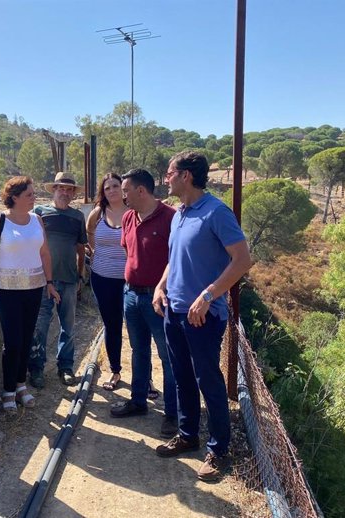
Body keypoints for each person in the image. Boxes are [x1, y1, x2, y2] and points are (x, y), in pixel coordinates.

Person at [154, 151, 252, 482]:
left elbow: (241, 260)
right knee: (181, 376)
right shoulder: (180, 213)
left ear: (186, 176)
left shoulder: (216, 212)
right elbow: (175, 258)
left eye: (169, 173)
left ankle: (219, 451)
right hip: (175, 311)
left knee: (207, 380)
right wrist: (160, 285)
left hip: (204, 316)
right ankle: (188, 435)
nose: (165, 178)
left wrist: (209, 296)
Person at [109, 168, 179, 440]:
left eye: (125, 190)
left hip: (159, 299)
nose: (122, 195)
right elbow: (128, 250)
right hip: (131, 294)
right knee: (138, 350)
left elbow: (177, 259)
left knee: (168, 356)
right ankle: (138, 401)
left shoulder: (171, 218)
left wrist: (159, 287)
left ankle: (173, 413)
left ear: (141, 191)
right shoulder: (128, 217)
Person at [0, 176, 60, 413]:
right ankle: (7, 391)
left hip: (34, 289)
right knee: (13, 342)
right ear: (14, 197)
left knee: (27, 340)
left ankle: (20, 385)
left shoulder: (37, 220)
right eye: (29, 194)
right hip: (7, 292)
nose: (34, 198)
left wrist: (49, 282)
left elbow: (45, 253)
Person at [28, 172, 88, 388]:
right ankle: (36, 369)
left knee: (68, 327)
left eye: (69, 189)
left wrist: (80, 274)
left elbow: (81, 248)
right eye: (61, 188)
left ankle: (66, 367)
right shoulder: (39, 213)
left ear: (73, 194)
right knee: (40, 326)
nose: (65, 192)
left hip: (69, 281)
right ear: (53, 190)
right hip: (43, 282)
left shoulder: (77, 217)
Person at [86, 173, 127, 391]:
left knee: (139, 328)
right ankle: (115, 370)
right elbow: (89, 232)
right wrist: (95, 253)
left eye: (115, 186)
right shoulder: (97, 214)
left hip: (130, 280)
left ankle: (145, 377)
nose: (111, 190)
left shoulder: (133, 213)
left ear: (123, 188)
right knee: (112, 326)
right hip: (101, 279)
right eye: (107, 187)